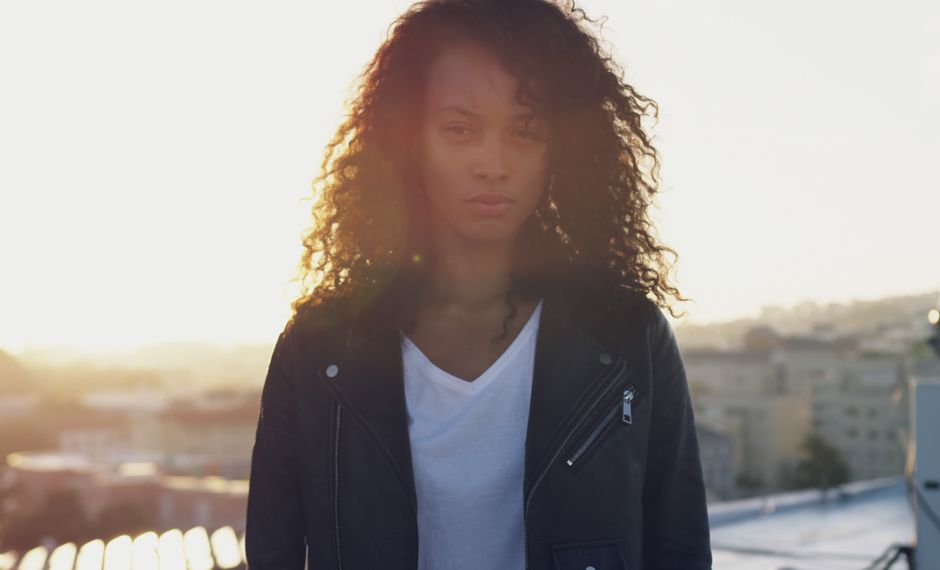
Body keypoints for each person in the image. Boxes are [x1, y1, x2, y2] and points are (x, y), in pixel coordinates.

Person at [244, 0, 712, 568]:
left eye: (525, 131)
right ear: (409, 141)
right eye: (460, 130)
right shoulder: (319, 346)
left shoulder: (627, 337)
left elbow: (680, 549)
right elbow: (273, 550)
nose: (493, 163)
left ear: (559, 149)